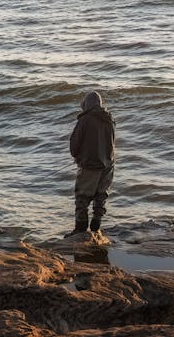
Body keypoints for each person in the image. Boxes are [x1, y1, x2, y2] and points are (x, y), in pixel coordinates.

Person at [67, 91, 116, 237]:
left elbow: (74, 145)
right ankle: (96, 226)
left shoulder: (85, 120)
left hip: (90, 165)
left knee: (82, 197)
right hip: (108, 164)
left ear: (86, 104)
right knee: (101, 196)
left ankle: (80, 230)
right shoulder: (109, 119)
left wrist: (77, 157)